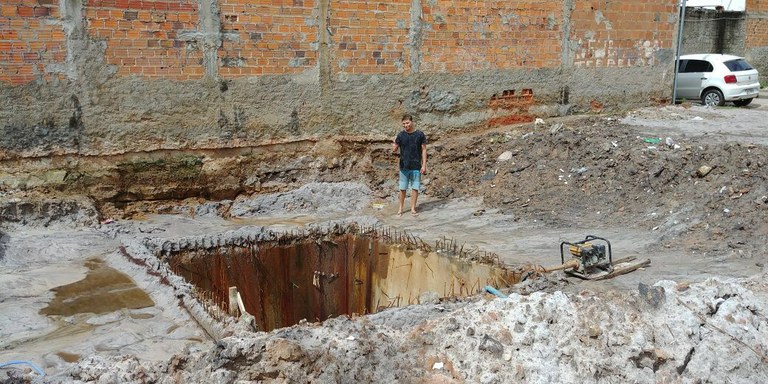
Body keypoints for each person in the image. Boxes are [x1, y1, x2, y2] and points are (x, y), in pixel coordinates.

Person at [392, 114, 427, 216]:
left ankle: (412, 208)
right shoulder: (400, 135)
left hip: (416, 165)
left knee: (415, 188)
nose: (405, 125)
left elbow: (424, 150)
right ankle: (400, 208)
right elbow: (394, 150)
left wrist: (424, 165)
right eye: (403, 124)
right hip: (404, 166)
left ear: (412, 122)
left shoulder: (420, 134)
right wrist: (393, 147)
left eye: (407, 123)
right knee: (402, 189)